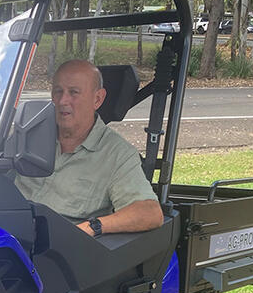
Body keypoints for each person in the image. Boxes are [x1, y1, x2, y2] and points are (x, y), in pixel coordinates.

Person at [14, 59, 163, 237]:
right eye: (58, 91)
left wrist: (92, 227)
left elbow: (149, 212)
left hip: (59, 247)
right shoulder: (27, 135)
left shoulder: (116, 154)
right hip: (5, 235)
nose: (63, 100)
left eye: (74, 92)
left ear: (97, 99)